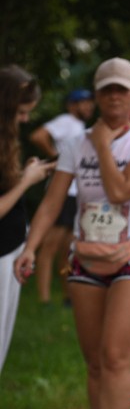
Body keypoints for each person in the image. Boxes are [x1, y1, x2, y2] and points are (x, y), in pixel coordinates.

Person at [14, 58, 130, 409]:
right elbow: (51, 204)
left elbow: (120, 192)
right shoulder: (73, 144)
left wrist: (100, 145)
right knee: (96, 362)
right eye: (107, 89)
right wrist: (30, 248)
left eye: (121, 90)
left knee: (114, 355)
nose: (114, 97)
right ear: (96, 95)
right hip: (86, 260)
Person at [1, 65, 54, 376]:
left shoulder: (6, 138)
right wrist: (26, 181)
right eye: (21, 111)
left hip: (9, 250)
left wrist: (26, 174)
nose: (25, 119)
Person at [28, 88, 94, 304]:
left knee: (67, 247)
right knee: (50, 246)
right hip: (62, 191)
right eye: (83, 102)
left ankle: (67, 296)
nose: (88, 106)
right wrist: (55, 156)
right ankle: (44, 300)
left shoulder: (80, 126)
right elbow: (38, 135)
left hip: (75, 192)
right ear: (71, 105)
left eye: (89, 102)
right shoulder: (66, 120)